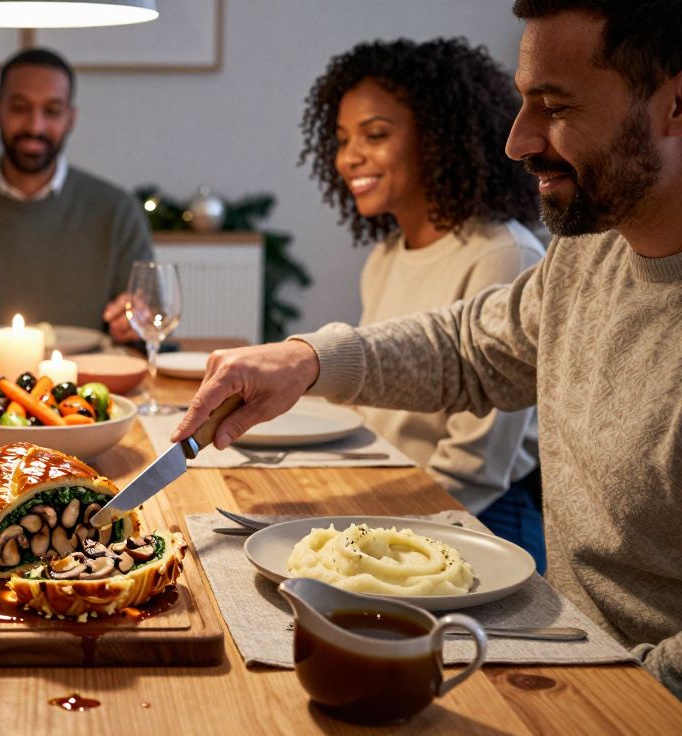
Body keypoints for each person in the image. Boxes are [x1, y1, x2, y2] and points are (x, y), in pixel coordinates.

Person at [175, 0, 682, 698]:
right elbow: (471, 349)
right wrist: (305, 359)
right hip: (557, 643)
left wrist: (621, 696)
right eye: (521, 104)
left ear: (675, 103)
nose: (519, 141)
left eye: (554, 107)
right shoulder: (587, 257)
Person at [298, 37, 546, 564]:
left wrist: (362, 540)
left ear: (439, 138)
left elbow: (476, 468)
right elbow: (374, 413)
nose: (349, 157)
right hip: (397, 497)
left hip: (478, 517)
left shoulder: (502, 255)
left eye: (376, 135)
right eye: (342, 139)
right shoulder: (387, 255)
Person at [0, 47, 152, 342]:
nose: (35, 126)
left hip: (87, 379)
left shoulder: (117, 211)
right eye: (19, 108)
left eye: (52, 111)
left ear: (71, 119)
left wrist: (136, 323)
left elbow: (146, 321)